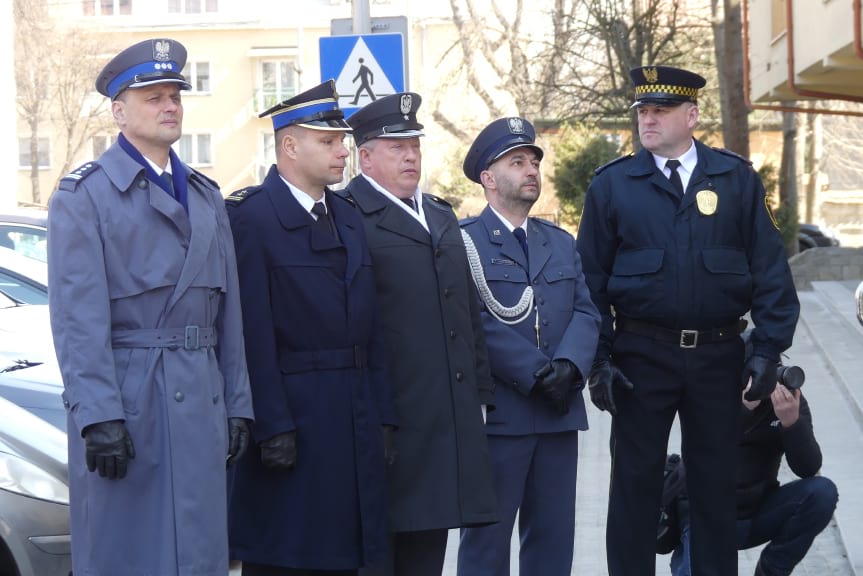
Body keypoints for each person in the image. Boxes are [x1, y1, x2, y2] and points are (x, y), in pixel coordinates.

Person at [576, 65, 800, 576]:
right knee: (634, 487)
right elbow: (588, 282)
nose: (647, 120)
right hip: (640, 357)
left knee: (714, 488)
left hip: (718, 358)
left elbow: (770, 271)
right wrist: (600, 359)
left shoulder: (735, 179)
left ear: (692, 116)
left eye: (660, 111)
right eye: (642, 111)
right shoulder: (613, 186)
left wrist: (767, 349)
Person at [47, 38, 253, 576]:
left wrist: (238, 403)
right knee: (133, 554)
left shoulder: (207, 196)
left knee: (200, 555)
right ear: (119, 112)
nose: (169, 107)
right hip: (133, 403)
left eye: (175, 97)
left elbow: (227, 315)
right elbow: (77, 320)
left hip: (200, 401)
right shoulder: (85, 196)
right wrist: (99, 416)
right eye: (153, 97)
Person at [225, 80, 398, 576]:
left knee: (351, 558)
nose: (342, 150)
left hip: (354, 418)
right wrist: (270, 425)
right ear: (289, 146)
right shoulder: (252, 220)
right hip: (295, 424)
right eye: (328, 142)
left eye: (341, 141)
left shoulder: (346, 216)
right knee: (290, 558)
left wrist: (384, 414)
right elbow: (249, 335)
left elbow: (373, 327)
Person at [340, 92, 498, 576]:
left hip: (444, 414)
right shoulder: (348, 216)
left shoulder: (440, 213)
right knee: (381, 552)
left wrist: (481, 390)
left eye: (415, 146)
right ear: (364, 157)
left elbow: (467, 310)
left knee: (429, 549)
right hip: (391, 416)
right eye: (396, 147)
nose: (411, 156)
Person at [456, 117, 601, 576]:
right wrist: (536, 373)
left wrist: (569, 368)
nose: (531, 170)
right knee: (487, 543)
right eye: (517, 162)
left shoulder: (559, 242)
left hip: (558, 414)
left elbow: (585, 311)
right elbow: (470, 320)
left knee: (553, 541)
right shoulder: (463, 243)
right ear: (488, 178)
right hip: (501, 417)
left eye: (534, 161)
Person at [669, 376, 838, 576]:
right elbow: (704, 449)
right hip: (704, 517)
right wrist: (742, 410)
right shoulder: (709, 386)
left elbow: (808, 468)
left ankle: (771, 569)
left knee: (821, 492)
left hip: (756, 511)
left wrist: (791, 422)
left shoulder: (787, 399)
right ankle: (686, 557)